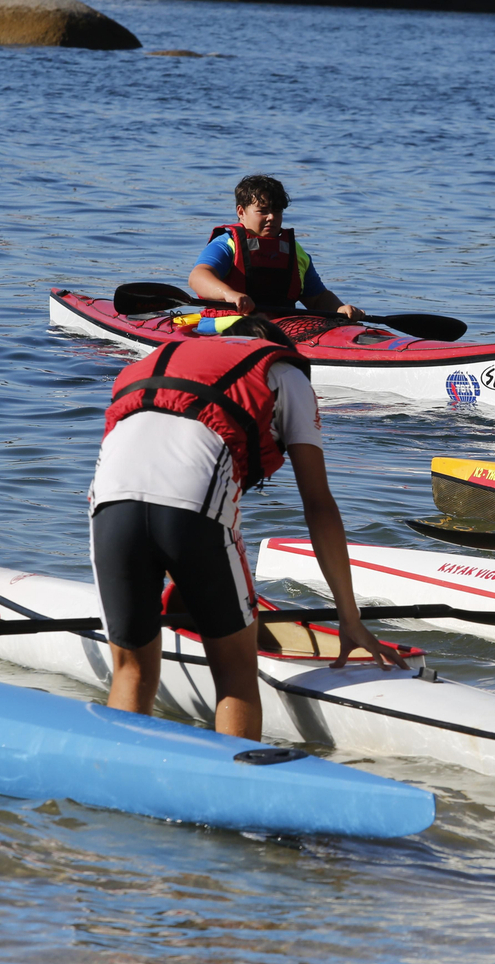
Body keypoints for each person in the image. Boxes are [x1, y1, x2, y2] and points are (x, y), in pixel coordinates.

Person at [88, 316, 406, 740]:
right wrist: (350, 618)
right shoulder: (286, 373)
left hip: (107, 503)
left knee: (131, 670)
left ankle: (113, 781)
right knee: (236, 671)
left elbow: (155, 475)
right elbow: (319, 504)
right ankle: (235, 784)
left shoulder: (162, 357)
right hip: (193, 508)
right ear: (274, 346)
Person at [188, 174, 364, 324]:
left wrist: (340, 309)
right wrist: (229, 294)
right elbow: (198, 277)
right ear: (241, 212)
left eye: (277, 211)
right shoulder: (226, 244)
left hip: (283, 328)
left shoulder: (294, 252)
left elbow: (317, 299)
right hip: (230, 324)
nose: (271, 217)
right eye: (262, 211)